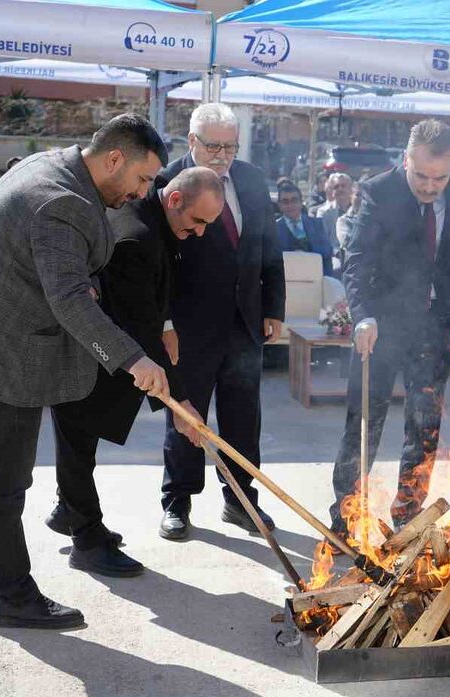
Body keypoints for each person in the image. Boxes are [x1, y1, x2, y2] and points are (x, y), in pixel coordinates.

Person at [0, 113, 171, 630]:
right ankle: (13, 597)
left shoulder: (53, 165)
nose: (145, 193)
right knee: (4, 483)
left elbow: (50, 267)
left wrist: (81, 281)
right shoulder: (65, 203)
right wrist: (134, 359)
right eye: (143, 179)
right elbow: (72, 305)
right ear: (114, 159)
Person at [46, 168, 221, 576]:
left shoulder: (158, 221)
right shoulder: (135, 236)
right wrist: (180, 403)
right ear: (175, 200)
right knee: (77, 438)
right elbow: (136, 325)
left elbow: (154, 297)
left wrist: (166, 324)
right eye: (198, 222)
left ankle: (68, 511)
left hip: (108, 346)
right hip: (82, 351)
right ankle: (86, 540)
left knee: (82, 441)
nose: (200, 233)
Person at [330, 119, 450, 534]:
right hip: (380, 325)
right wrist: (362, 314)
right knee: (363, 422)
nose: (430, 186)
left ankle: (408, 515)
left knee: (424, 426)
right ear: (406, 160)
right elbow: (357, 260)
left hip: (436, 326)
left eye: (440, 177)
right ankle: (347, 514)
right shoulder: (378, 191)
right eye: (421, 175)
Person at [158, 102, 286, 540]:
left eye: (229, 146)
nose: (222, 155)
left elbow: (269, 245)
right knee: (187, 415)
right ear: (191, 141)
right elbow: (158, 264)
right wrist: (165, 322)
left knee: (243, 415)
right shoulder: (166, 181)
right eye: (213, 146)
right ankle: (177, 500)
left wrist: (274, 307)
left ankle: (240, 499)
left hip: (245, 319)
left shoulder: (250, 179)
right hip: (191, 325)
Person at [276, 180, 334, 275]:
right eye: (285, 202)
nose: (290, 205)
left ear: (301, 202)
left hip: (315, 278)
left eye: (294, 200)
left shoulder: (317, 224)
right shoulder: (274, 229)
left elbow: (327, 255)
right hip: (286, 280)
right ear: (279, 205)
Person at [314, 172, 353, 250]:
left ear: (350, 189)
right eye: (336, 187)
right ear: (332, 192)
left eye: (343, 186)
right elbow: (321, 240)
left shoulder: (358, 209)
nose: (340, 189)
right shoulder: (324, 212)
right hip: (334, 256)